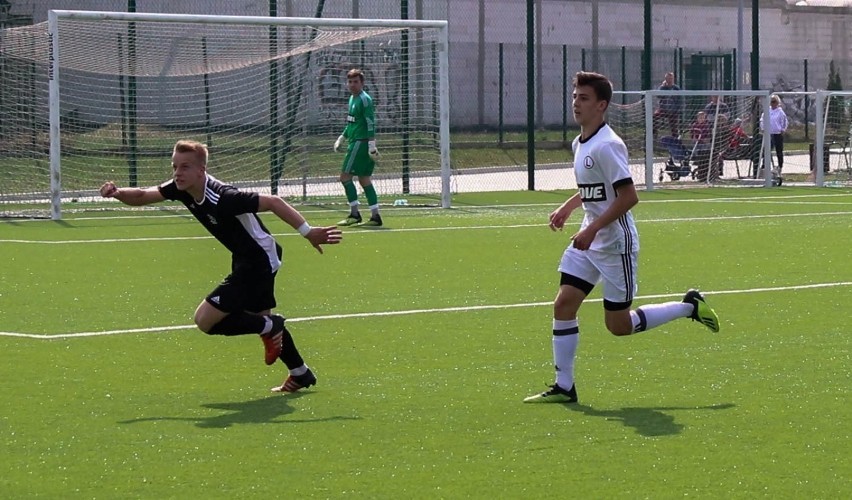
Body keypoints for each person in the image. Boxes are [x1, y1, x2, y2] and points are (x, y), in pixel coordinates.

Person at [523, 72, 720, 404]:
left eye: (583, 98)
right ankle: (564, 386)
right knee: (564, 304)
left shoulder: (608, 145)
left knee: (618, 326)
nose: (576, 102)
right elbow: (594, 189)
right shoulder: (580, 142)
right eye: (574, 96)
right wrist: (569, 207)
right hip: (589, 238)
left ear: (601, 105)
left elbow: (628, 197)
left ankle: (688, 307)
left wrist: (591, 229)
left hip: (616, 245)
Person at [99, 140, 342, 393]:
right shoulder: (182, 188)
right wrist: (117, 193)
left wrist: (307, 231)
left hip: (258, 260)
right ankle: (300, 372)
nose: (177, 173)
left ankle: (271, 328)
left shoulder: (223, 198)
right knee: (260, 316)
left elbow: (273, 201)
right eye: (175, 166)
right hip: (248, 257)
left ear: (201, 170)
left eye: (185, 167)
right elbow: (142, 196)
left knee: (205, 320)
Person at [334, 68, 382, 227]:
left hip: (360, 144)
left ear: (362, 83)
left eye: (356, 82)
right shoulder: (352, 99)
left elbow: (370, 123)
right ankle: (375, 216)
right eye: (350, 81)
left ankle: (354, 214)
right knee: (364, 179)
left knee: (345, 177)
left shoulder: (364, 99)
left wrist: (371, 145)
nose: (352, 85)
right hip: (356, 141)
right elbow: (351, 123)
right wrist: (342, 137)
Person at [760, 94, 789, 173]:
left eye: (774, 102)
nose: (772, 103)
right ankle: (764, 166)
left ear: (777, 102)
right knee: (767, 150)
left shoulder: (780, 112)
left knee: (779, 151)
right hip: (769, 134)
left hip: (777, 134)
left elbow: (785, 122)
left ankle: (780, 166)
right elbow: (762, 120)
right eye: (771, 102)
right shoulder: (767, 111)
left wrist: (783, 129)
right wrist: (763, 128)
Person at [654, 72, 682, 137]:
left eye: (671, 78)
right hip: (663, 109)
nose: (669, 80)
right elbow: (658, 96)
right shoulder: (662, 88)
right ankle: (654, 133)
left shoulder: (676, 88)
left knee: (674, 127)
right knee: (654, 116)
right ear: (665, 79)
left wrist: (677, 109)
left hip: (673, 111)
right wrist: (662, 86)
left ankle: (675, 138)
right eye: (668, 78)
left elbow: (680, 100)